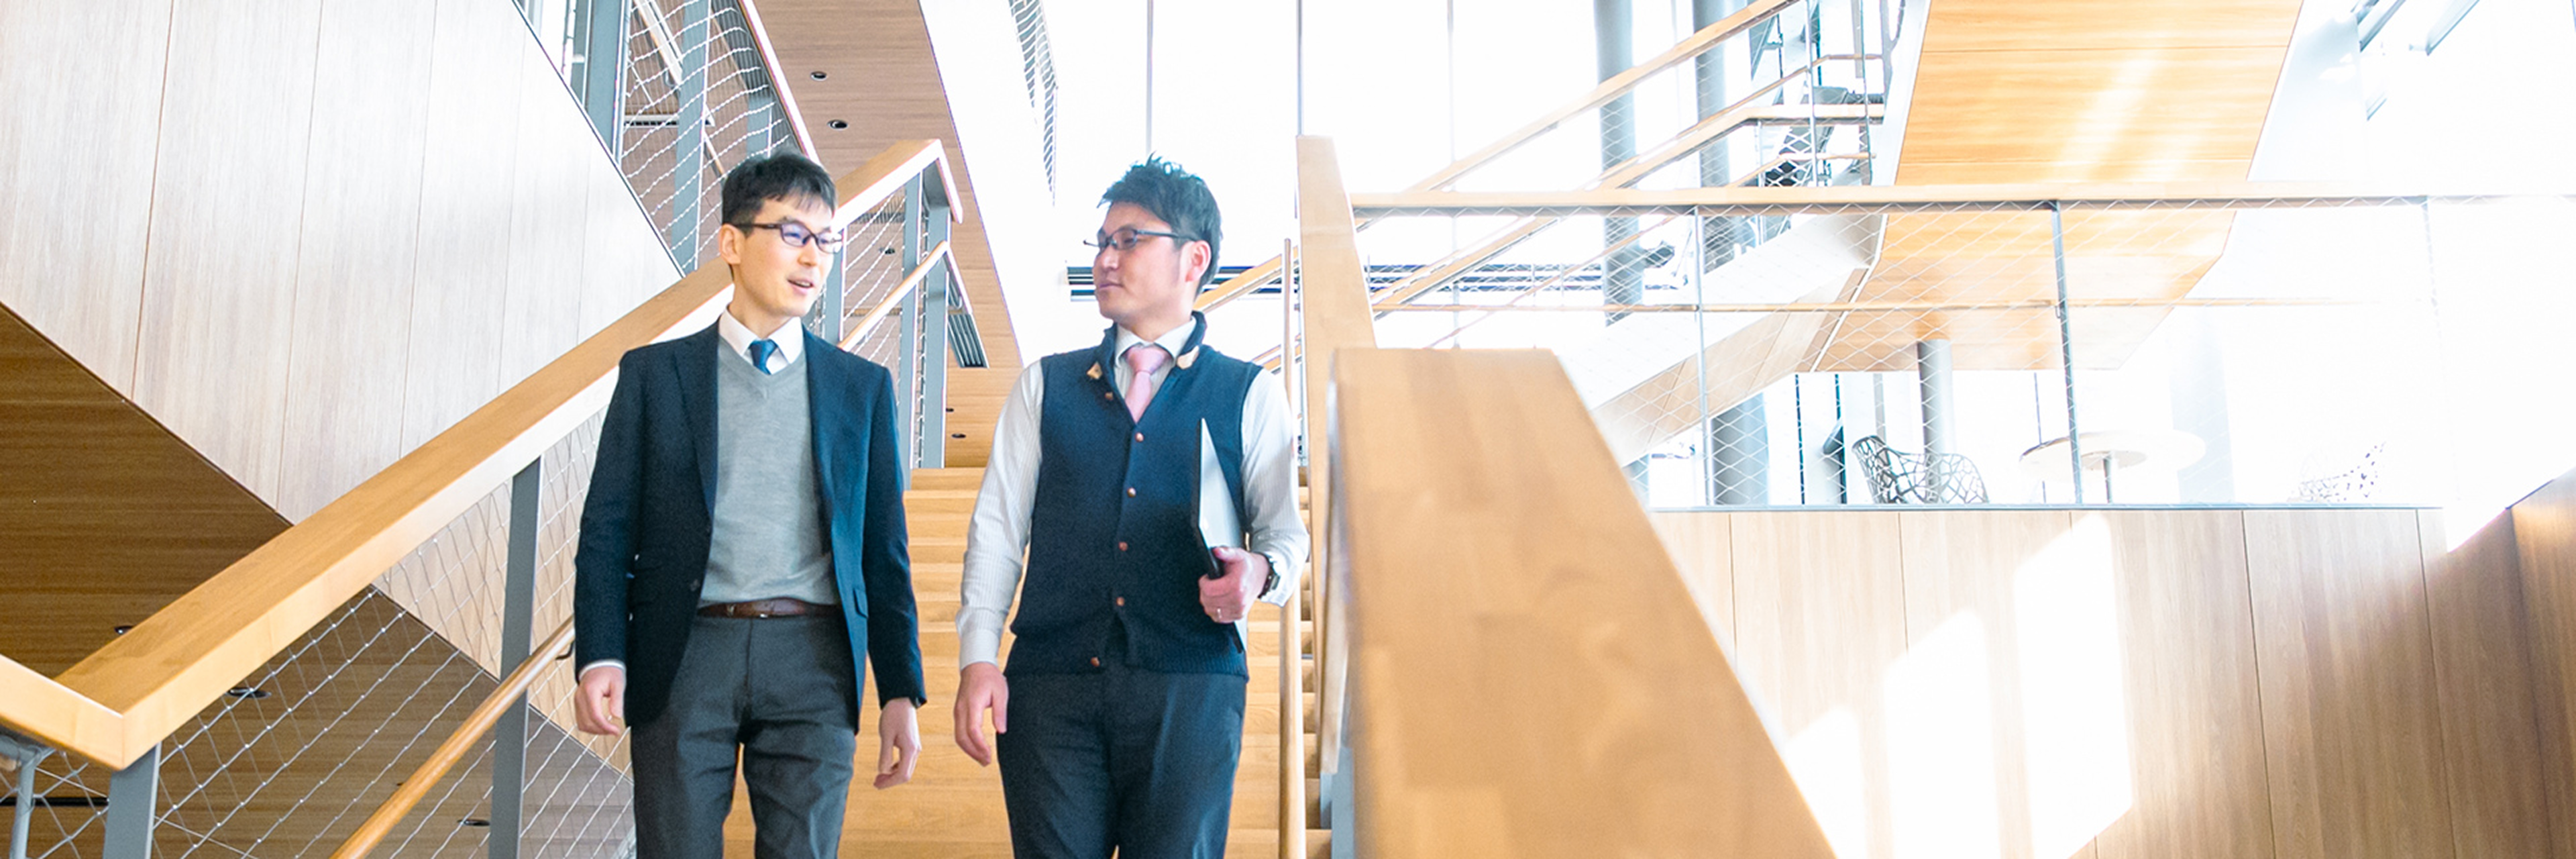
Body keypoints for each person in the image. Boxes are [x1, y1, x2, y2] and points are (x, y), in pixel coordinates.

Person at [952, 157, 1311, 858]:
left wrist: (1260, 574)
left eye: (1130, 240)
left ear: (1194, 259)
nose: (1106, 260)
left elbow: (1285, 537)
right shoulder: (1045, 385)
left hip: (1191, 686)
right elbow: (997, 529)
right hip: (1051, 685)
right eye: (1102, 243)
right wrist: (977, 659)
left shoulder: (1250, 392)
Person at [570, 152, 925, 859]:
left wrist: (899, 689)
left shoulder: (861, 388)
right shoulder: (655, 375)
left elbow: (883, 549)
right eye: (793, 234)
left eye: (827, 239)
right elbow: (607, 530)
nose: (814, 258)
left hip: (815, 658)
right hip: (686, 649)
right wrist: (601, 652)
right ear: (732, 242)